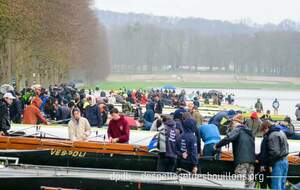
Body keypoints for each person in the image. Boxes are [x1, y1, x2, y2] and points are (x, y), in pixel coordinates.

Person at [214, 114, 256, 188]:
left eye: (233, 123)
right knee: (250, 183)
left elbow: (228, 138)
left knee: (240, 183)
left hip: (241, 161)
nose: (232, 125)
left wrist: (217, 145)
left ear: (236, 122)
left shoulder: (238, 129)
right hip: (251, 161)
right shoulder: (250, 132)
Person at [259, 120, 289, 190]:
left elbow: (275, 152)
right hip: (285, 161)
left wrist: (270, 164)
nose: (263, 133)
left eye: (263, 131)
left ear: (266, 128)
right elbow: (286, 146)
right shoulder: (281, 132)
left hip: (277, 163)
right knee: (282, 185)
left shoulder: (272, 135)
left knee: (276, 186)